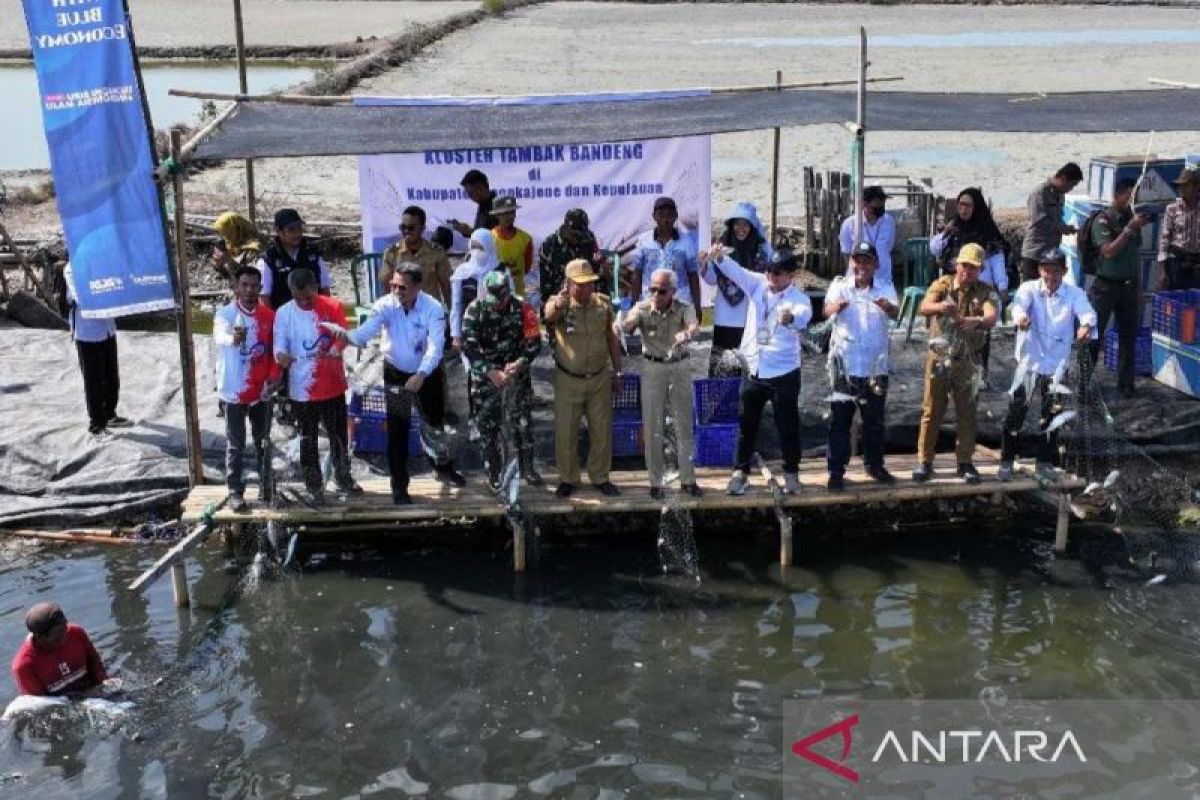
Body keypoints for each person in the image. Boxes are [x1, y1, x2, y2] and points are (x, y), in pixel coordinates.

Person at [344, 263, 464, 504]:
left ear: (418, 287)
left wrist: (421, 375)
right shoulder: (385, 304)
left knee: (434, 425)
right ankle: (399, 486)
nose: (396, 290)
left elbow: (435, 347)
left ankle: (443, 468)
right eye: (393, 285)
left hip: (426, 375)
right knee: (397, 430)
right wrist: (343, 336)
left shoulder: (433, 308)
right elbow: (364, 333)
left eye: (402, 287)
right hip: (396, 374)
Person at [700, 247, 812, 496]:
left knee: (788, 426)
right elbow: (735, 271)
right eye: (769, 270)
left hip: (784, 373)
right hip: (753, 370)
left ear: (790, 275)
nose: (772, 276)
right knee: (745, 424)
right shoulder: (757, 284)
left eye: (778, 272)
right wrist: (719, 257)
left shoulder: (798, 299)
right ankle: (740, 473)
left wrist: (790, 317)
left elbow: (805, 315)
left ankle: (792, 474)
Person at [1000, 249, 1096, 482]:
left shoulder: (1074, 293)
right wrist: (1021, 318)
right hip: (1029, 361)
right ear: (1039, 270)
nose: (1050, 276)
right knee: (1017, 411)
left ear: (1063, 271)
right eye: (1046, 270)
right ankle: (1006, 461)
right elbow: (1018, 306)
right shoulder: (1029, 288)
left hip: (1056, 363)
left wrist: (1085, 326)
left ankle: (1044, 462)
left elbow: (1088, 313)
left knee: (1052, 415)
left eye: (1055, 271)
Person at [913, 243, 999, 484]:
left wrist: (978, 320)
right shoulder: (942, 284)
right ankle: (924, 461)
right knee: (932, 411)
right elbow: (924, 306)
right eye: (964, 265)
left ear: (980, 270)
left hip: (968, 361)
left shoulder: (985, 290)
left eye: (973, 267)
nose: (967, 271)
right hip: (940, 358)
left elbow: (992, 316)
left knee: (967, 413)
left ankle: (965, 462)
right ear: (956, 265)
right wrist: (942, 306)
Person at [273, 269, 361, 504]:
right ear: (291, 291)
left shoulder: (333, 306)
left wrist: (335, 349)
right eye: (298, 298)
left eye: (308, 298)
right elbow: (278, 345)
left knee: (339, 437)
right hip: (301, 390)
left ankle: (343, 477)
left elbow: (344, 335)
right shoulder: (283, 314)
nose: (303, 302)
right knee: (307, 440)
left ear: (316, 289)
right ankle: (314, 486)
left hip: (332, 385)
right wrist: (281, 356)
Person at [542, 259, 623, 498]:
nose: (586, 289)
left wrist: (618, 371)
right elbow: (548, 317)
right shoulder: (560, 305)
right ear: (568, 284)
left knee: (602, 430)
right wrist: (559, 302)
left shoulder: (603, 305)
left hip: (599, 377)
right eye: (580, 284)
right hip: (569, 378)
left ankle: (600, 476)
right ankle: (568, 478)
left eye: (590, 284)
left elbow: (611, 339)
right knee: (566, 431)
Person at [824, 242, 899, 491]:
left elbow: (896, 311)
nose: (862, 266)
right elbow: (826, 310)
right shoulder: (839, 285)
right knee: (840, 421)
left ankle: (874, 466)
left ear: (875, 265)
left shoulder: (885, 286)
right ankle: (836, 471)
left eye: (867, 261)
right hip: (845, 366)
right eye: (858, 261)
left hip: (875, 368)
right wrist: (837, 307)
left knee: (874, 421)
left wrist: (887, 307)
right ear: (851, 263)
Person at [622, 268, 702, 499]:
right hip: (653, 368)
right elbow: (628, 323)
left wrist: (686, 334)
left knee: (683, 424)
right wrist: (624, 325)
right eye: (652, 289)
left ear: (672, 292)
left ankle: (688, 479)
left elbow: (694, 325)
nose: (656, 294)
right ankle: (655, 481)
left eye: (662, 290)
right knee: (653, 426)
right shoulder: (643, 308)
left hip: (678, 367)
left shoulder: (683, 308)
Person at [462, 271, 543, 489]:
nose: (496, 305)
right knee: (488, 426)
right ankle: (494, 473)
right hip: (486, 378)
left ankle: (528, 469)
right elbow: (469, 346)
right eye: (492, 300)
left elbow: (534, 342)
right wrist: (490, 372)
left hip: (516, 374)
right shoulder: (475, 309)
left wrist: (521, 363)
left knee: (522, 423)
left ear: (508, 294)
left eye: (500, 300)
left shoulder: (524, 308)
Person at [214, 265, 281, 512]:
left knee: (263, 441)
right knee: (236, 445)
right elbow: (220, 336)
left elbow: (277, 351)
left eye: (255, 286)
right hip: (234, 392)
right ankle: (235, 492)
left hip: (261, 392)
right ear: (236, 287)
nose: (250, 291)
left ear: (261, 288)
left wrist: (275, 376)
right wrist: (234, 339)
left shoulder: (270, 317)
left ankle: (267, 488)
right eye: (245, 285)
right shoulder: (224, 315)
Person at [1088, 176, 1151, 398]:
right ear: (1118, 194)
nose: (1135, 199)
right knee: (1094, 336)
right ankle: (1084, 385)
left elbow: (1136, 256)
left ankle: (1126, 384)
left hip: (1129, 287)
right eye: (1130, 194)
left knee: (1128, 337)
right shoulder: (1104, 220)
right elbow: (1108, 251)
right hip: (1105, 286)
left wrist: (1140, 288)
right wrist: (1128, 230)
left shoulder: (1131, 218)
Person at [703, 202, 774, 377]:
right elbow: (712, 279)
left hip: (750, 314)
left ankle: (745, 400)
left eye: (746, 224)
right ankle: (721, 399)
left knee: (748, 360)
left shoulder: (763, 250)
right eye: (737, 223)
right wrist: (703, 265)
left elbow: (771, 278)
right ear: (731, 224)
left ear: (752, 226)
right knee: (722, 362)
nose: (740, 228)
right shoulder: (721, 248)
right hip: (725, 316)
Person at [64, 262, 129, 437]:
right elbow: (81, 298)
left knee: (111, 376)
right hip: (88, 333)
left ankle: (109, 414)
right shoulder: (72, 269)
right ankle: (96, 425)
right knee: (93, 381)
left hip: (107, 328)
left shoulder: (102, 264)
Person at [629, 197, 702, 320]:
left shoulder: (686, 241)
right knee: (651, 338)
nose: (665, 219)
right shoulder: (644, 241)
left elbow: (693, 276)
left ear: (676, 216)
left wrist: (697, 306)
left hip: (680, 303)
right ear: (654, 216)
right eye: (661, 215)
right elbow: (637, 274)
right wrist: (634, 303)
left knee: (679, 338)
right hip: (650, 302)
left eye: (669, 215)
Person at [11, 603, 107, 696]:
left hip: (92, 691)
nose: (66, 635)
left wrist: (103, 684)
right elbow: (42, 705)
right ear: (40, 637)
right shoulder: (24, 666)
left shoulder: (76, 632)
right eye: (59, 635)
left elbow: (95, 663)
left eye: (65, 627)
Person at [256, 208, 333, 310]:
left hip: (313, 315)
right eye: (291, 229)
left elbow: (325, 290)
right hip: (282, 318)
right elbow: (263, 297)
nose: (297, 233)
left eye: (299, 228)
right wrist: (274, 323)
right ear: (278, 231)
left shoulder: (313, 254)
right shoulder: (268, 259)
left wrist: (324, 314)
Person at [1020, 162, 1083, 281]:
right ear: (1063, 178)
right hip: (1036, 253)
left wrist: (1065, 227)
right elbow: (1039, 222)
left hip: (1051, 253)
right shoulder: (1040, 193)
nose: (1071, 189)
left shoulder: (1060, 195)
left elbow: (1057, 218)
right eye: (1072, 185)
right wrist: (1062, 228)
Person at [383, 205, 452, 307]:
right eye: (403, 227)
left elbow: (446, 285)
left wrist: (451, 313)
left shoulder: (436, 253)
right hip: (402, 311)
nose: (406, 231)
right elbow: (387, 286)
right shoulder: (392, 253)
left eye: (411, 228)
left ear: (422, 228)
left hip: (429, 311)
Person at [538, 208, 601, 299]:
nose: (578, 238)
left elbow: (596, 267)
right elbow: (546, 286)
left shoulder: (588, 239)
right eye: (575, 235)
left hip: (586, 293)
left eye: (581, 235)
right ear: (566, 228)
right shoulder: (550, 246)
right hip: (559, 296)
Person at [838, 186, 895, 286]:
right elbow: (846, 252)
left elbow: (889, 247)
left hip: (883, 278)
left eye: (882, 205)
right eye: (876, 206)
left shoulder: (889, 222)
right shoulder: (850, 224)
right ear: (865, 204)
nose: (880, 209)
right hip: (857, 278)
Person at [1157, 167, 1200, 291]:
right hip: (1177, 263)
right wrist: (1162, 271)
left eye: (1186, 185)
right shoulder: (1172, 209)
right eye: (1181, 186)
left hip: (1197, 264)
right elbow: (1164, 240)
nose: (1182, 189)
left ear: (1197, 187)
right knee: (1176, 303)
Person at [490, 196, 535, 297]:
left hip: (518, 296)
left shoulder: (526, 239)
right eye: (505, 213)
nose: (509, 217)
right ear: (497, 215)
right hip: (495, 298)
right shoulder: (490, 238)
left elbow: (526, 269)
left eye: (512, 212)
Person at [212, 211, 263, 281]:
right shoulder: (233, 247)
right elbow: (229, 276)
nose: (225, 237)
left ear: (235, 229)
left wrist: (230, 261)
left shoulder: (253, 249)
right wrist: (219, 265)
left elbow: (251, 277)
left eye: (226, 233)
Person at [450, 169, 498, 237]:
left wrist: (470, 232)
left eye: (470, 193)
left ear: (480, 188)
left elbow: (495, 238)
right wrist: (468, 231)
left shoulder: (498, 207)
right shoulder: (483, 205)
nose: (470, 197)